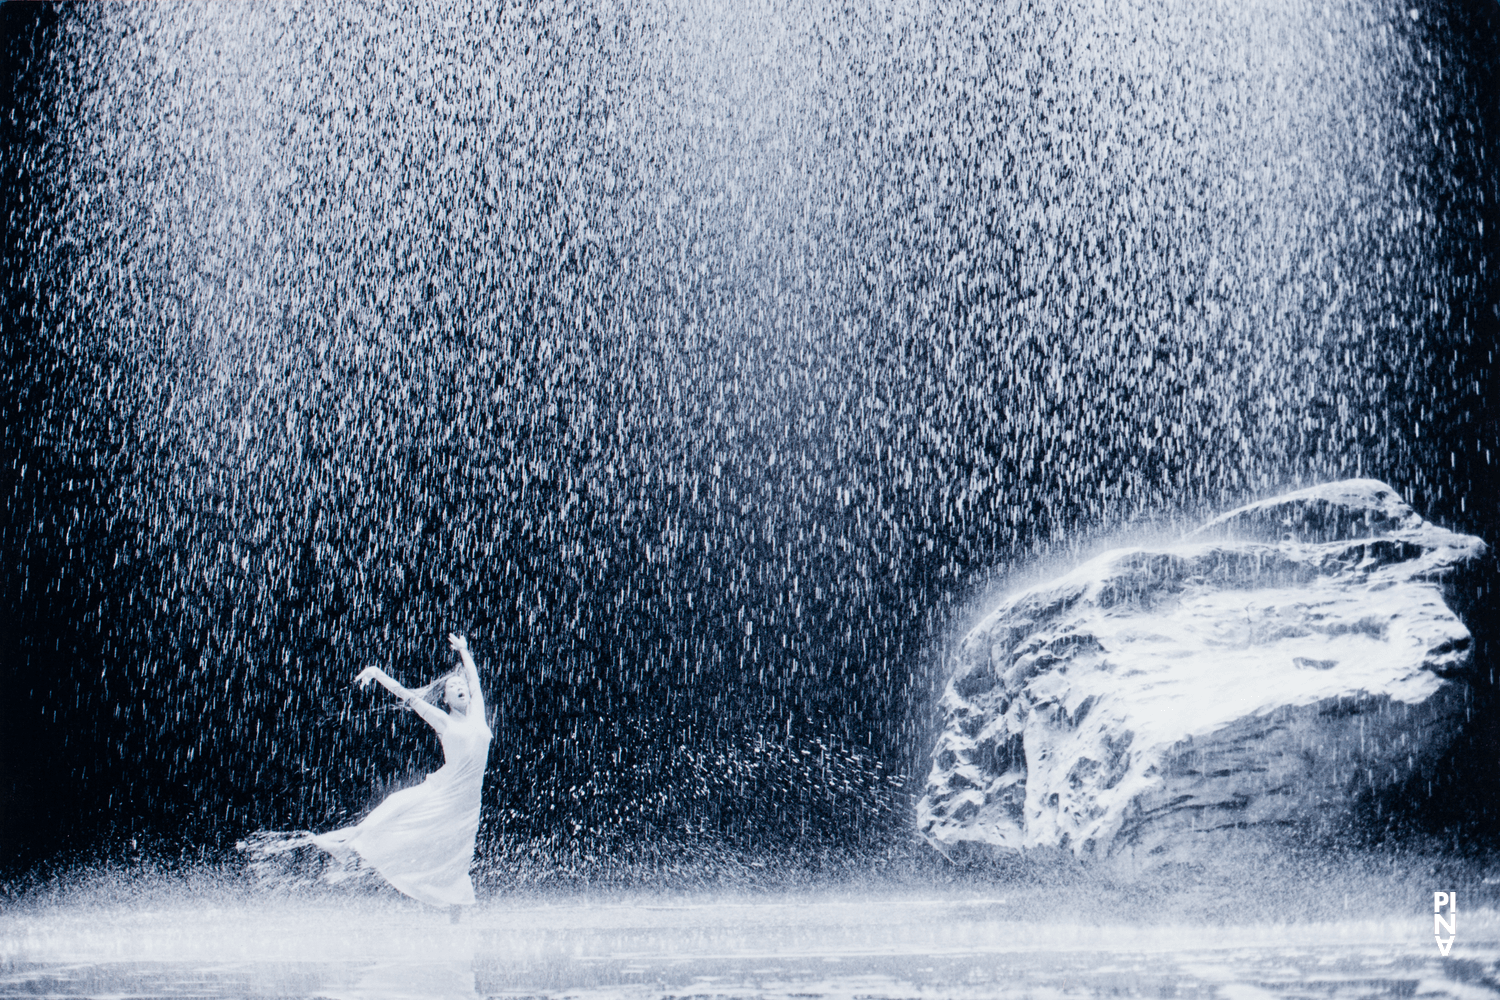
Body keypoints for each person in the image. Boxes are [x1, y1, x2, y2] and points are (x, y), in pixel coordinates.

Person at [243, 633, 492, 918]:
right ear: (445, 698)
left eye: (460, 685)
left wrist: (464, 651)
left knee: (456, 858)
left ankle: (456, 923)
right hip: (443, 792)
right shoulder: (442, 720)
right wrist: (376, 673)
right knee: (394, 807)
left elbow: (474, 680)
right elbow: (406, 694)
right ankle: (344, 843)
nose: (460, 687)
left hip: (468, 802)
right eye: (452, 686)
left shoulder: (479, 716)